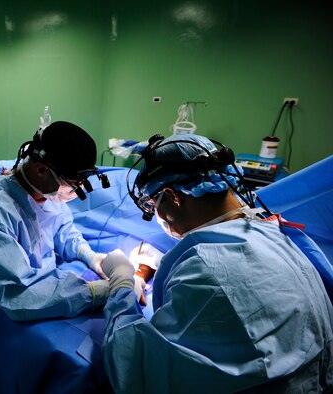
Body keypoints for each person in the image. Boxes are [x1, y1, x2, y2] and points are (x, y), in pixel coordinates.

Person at [100, 133, 333, 392]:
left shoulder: (203, 271)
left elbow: (133, 368)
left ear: (173, 196)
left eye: (154, 205)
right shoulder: (276, 233)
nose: (157, 216)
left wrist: (121, 282)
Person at [0, 121, 141, 341]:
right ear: (41, 169)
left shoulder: (46, 191)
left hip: (48, 297)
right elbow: (17, 296)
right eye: (72, 184)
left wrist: (91, 256)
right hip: (7, 318)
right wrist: (96, 292)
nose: (74, 192)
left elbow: (64, 231)